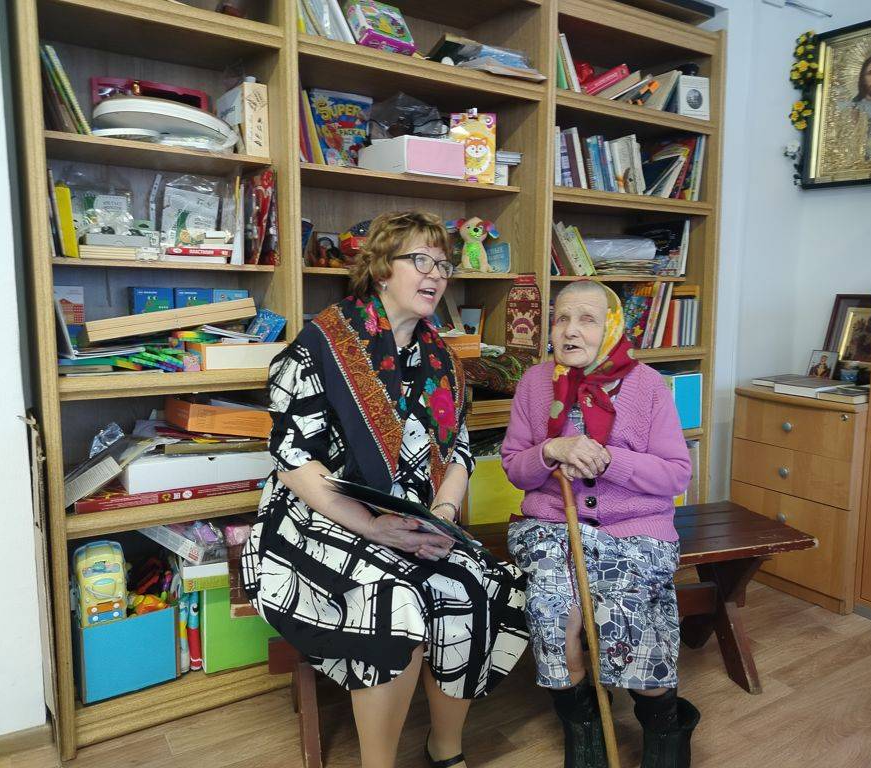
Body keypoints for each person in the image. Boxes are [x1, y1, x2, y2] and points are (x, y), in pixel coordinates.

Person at [241, 211, 528, 768]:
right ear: (380, 268)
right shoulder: (322, 344)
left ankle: (445, 749)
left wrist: (444, 513)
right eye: (420, 260)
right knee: (394, 603)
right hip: (315, 519)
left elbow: (460, 450)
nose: (436, 274)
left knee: (476, 585)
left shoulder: (443, 358)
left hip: (416, 519)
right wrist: (375, 527)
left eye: (443, 264)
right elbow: (294, 463)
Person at [501, 280, 699, 768]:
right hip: (551, 526)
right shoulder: (535, 383)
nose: (570, 330)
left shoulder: (647, 386)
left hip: (635, 527)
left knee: (628, 612)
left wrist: (610, 460)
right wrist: (551, 449)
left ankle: (664, 728)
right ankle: (584, 730)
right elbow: (514, 468)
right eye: (561, 319)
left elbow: (676, 474)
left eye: (587, 319)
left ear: (613, 327)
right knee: (554, 612)